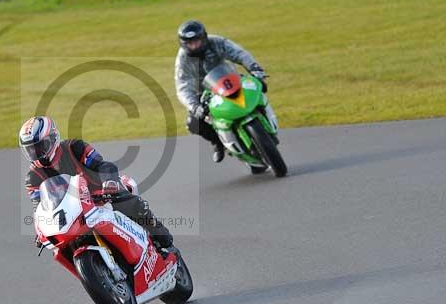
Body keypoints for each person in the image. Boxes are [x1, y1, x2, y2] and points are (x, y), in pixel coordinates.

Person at [19, 115, 174, 250]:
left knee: (133, 205)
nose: (36, 153)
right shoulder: (33, 177)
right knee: (60, 248)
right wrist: (40, 231)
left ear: (53, 138)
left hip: (101, 195)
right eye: (30, 150)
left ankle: (161, 237)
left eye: (40, 146)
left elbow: (103, 166)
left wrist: (109, 182)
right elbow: (39, 208)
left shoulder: (75, 148)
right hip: (71, 212)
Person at [174, 19, 279, 164]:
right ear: (183, 44)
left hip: (229, 80)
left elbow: (239, 53)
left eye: (197, 41)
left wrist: (254, 68)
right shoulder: (182, 59)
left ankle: (266, 122)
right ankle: (218, 143)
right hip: (205, 92)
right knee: (193, 123)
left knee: (257, 86)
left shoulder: (216, 42)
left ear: (204, 37)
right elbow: (182, 86)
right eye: (190, 43)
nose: (195, 45)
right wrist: (194, 106)